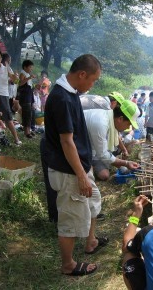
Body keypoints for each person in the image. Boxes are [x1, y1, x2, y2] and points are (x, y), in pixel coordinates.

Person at [43, 54, 105, 276]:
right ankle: (68, 265)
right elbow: (66, 141)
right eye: (93, 80)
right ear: (82, 74)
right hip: (68, 170)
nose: (92, 84)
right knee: (70, 216)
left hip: (79, 166)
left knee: (92, 201)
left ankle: (90, 242)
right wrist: (80, 175)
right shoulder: (62, 98)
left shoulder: (71, 93)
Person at [83, 99, 140, 181]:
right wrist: (126, 163)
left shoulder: (108, 118)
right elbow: (103, 154)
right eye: (129, 124)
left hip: (89, 149)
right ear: (120, 119)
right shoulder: (101, 123)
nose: (128, 128)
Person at [0, 50, 22, 146]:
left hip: (3, 95)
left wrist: (15, 77)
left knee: (8, 118)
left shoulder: (6, 69)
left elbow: (15, 81)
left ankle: (16, 139)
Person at [17, 60, 35, 139]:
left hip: (29, 96)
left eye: (31, 67)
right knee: (27, 114)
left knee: (29, 114)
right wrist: (29, 78)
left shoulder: (27, 74)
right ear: (25, 67)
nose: (31, 69)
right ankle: (27, 132)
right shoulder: (22, 74)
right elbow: (20, 83)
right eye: (30, 67)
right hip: (25, 97)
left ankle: (28, 130)